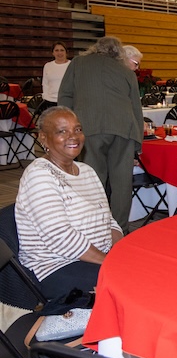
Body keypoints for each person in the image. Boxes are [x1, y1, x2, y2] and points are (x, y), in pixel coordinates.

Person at [15, 106, 123, 303]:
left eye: (78, 129)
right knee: (127, 284)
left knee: (144, 268)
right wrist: (109, 262)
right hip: (56, 266)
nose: (73, 136)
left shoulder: (87, 171)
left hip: (97, 258)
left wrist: (119, 253)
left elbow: (109, 221)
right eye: (62, 131)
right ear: (43, 138)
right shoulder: (39, 175)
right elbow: (60, 237)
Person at [58, 36, 143, 234]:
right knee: (122, 183)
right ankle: (119, 230)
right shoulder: (125, 70)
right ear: (118, 52)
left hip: (89, 129)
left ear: (95, 48)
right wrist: (138, 144)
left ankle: (94, 228)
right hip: (123, 129)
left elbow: (65, 95)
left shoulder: (78, 63)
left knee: (92, 181)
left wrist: (66, 129)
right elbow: (136, 108)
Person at [42, 41, 70, 108]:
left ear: (66, 52)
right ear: (53, 53)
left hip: (67, 101)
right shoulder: (47, 65)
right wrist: (45, 97)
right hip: (50, 102)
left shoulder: (71, 65)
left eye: (62, 50)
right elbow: (45, 84)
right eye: (56, 50)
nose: (59, 53)